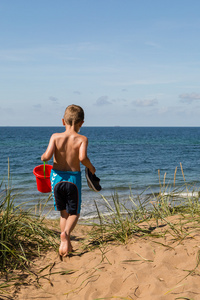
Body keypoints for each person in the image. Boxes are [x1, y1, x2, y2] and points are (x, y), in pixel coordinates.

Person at [41, 104, 96, 258]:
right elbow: (82, 158)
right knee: (75, 212)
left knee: (63, 213)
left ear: (63, 121)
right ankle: (65, 234)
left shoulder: (55, 136)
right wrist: (91, 168)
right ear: (81, 123)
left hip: (56, 179)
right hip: (73, 178)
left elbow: (46, 157)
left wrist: (43, 158)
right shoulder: (82, 139)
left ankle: (66, 243)